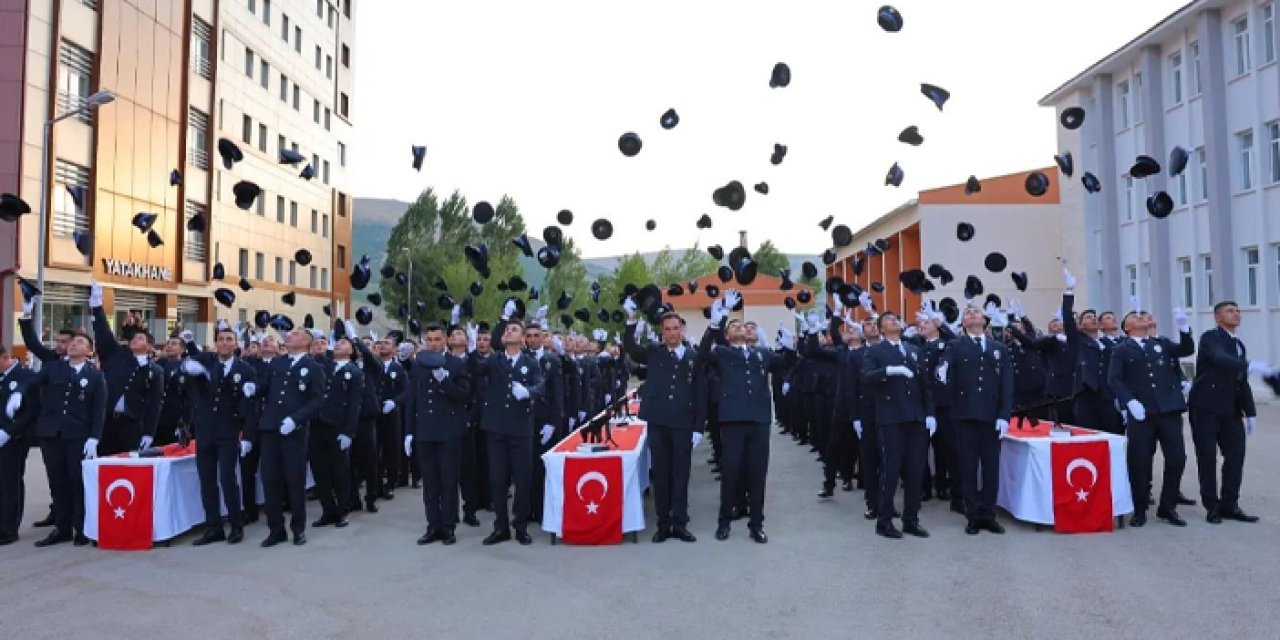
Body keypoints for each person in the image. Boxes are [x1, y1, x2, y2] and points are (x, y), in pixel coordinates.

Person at [698, 290, 796, 544]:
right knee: (731, 471)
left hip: (760, 419)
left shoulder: (762, 354)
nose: (741, 328)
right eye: (735, 326)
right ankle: (724, 521)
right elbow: (702, 355)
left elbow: (786, 363)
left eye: (744, 325)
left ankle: (757, 524)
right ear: (729, 335)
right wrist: (715, 324)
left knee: (757, 473)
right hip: (733, 419)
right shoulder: (723, 352)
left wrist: (790, 345)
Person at [7, 334, 107, 547]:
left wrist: (94, 437)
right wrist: (18, 393)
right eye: (72, 342)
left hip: (77, 435)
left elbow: (99, 409)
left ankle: (81, 527)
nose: (73, 344)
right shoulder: (53, 368)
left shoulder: (96, 376)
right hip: (50, 433)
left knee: (76, 481)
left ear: (90, 351)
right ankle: (62, 527)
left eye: (80, 342)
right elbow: (30, 382)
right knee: (57, 481)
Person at [623, 307, 705, 543]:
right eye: (667, 330)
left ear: (682, 330)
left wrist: (699, 427)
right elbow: (631, 349)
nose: (671, 333)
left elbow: (700, 392)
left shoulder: (693, 356)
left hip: (683, 423)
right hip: (658, 422)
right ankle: (663, 524)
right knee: (661, 474)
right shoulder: (654, 352)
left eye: (675, 329)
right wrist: (630, 321)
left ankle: (680, 522)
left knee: (681, 474)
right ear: (662, 332)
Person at [1107, 309, 1194, 527]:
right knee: (1139, 462)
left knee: (1177, 459)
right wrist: (1130, 402)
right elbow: (1114, 380)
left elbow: (1186, 349)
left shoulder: (1161, 343)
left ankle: (1168, 506)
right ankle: (1139, 508)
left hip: (1169, 410)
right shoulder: (1121, 349)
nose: (1141, 318)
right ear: (1127, 328)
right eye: (1135, 317)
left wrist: (1184, 329)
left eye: (1143, 316)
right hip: (1142, 413)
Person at [937, 304, 1014, 535]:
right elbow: (945, 363)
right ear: (963, 323)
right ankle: (972, 516)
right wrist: (942, 369)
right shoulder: (955, 345)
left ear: (985, 320)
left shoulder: (998, 347)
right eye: (967, 313)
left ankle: (988, 514)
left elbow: (1006, 384)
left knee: (991, 468)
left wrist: (1004, 415)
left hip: (991, 416)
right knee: (968, 468)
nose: (971, 314)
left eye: (976, 312)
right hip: (965, 414)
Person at [1187, 302, 1264, 524]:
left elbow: (1242, 382)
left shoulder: (1238, 344)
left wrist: (1250, 412)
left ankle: (1230, 504)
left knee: (1236, 456)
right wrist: (1247, 365)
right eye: (1230, 311)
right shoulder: (1211, 338)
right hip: (1205, 407)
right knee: (1208, 457)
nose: (1237, 314)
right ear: (1218, 317)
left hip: (1231, 409)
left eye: (1238, 310)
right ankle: (1212, 506)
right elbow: (1219, 358)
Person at [248, 327, 326, 547]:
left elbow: (317, 400)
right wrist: (253, 387)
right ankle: (276, 529)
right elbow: (265, 387)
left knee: (294, 479)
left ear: (306, 342)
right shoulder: (277, 363)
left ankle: (298, 528)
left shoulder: (313, 367)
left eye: (295, 334)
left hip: (294, 431)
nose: (289, 336)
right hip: (270, 428)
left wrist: (296, 419)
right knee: (270, 479)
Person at [861, 311, 935, 539]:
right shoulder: (875, 351)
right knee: (891, 472)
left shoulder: (914, 350)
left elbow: (925, 384)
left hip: (916, 418)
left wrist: (930, 414)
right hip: (891, 418)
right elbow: (866, 376)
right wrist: (889, 371)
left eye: (896, 318)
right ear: (882, 329)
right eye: (889, 319)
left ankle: (911, 519)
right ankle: (884, 521)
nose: (895, 321)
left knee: (915, 472)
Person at [181, 325, 257, 545]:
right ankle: (213, 527)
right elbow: (189, 367)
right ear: (215, 343)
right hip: (204, 430)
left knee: (227, 479)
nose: (225, 342)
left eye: (229, 339)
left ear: (236, 344)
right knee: (207, 481)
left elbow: (249, 405)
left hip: (228, 431)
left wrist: (248, 436)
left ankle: (236, 525)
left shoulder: (244, 370)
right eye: (221, 339)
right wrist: (190, 366)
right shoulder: (207, 362)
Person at [476, 305, 545, 545]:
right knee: (498, 479)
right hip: (496, 428)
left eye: (514, 329)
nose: (508, 331)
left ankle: (521, 526)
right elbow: (478, 364)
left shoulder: (530, 362)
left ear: (523, 338)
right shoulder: (495, 360)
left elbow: (540, 386)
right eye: (507, 328)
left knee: (522, 479)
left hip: (520, 429)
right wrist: (502, 319)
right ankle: (501, 527)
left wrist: (528, 392)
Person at [403, 323, 472, 545]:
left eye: (437, 339)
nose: (433, 343)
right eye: (429, 339)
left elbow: (464, 396)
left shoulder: (455, 364)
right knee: (430, 483)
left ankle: (448, 526)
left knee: (448, 481)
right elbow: (412, 399)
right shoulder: (418, 365)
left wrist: (446, 381)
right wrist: (408, 432)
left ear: (446, 340)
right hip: (425, 430)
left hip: (449, 431)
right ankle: (433, 525)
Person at [88, 282, 164, 455]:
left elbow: (154, 404)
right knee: (105, 466)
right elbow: (103, 333)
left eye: (140, 338)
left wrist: (149, 433)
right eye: (133, 338)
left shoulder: (155, 371)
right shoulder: (117, 354)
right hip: (107, 421)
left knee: (131, 469)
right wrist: (97, 306)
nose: (134, 341)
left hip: (133, 424)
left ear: (150, 345)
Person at [309, 333, 364, 530]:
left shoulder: (354, 372)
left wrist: (349, 432)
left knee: (340, 471)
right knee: (319, 470)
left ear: (351, 351)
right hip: (318, 425)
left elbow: (354, 405)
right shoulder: (325, 365)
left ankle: (342, 511)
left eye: (343, 343)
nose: (338, 345)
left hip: (338, 428)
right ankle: (328, 510)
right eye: (337, 343)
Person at [524, 314, 563, 523]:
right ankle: (526, 509)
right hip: (524, 420)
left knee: (542, 467)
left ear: (542, 338)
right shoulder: (521, 359)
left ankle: (541, 508)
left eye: (536, 335)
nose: (532, 339)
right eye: (528, 336)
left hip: (544, 419)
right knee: (525, 468)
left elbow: (557, 395)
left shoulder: (552, 361)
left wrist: (553, 422)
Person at [0, 346, 36, 545]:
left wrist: (9, 432)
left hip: (13, 438)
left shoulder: (25, 375)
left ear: (5, 358)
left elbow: (31, 411)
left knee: (10, 482)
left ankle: (8, 529)